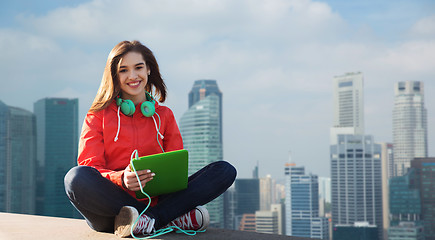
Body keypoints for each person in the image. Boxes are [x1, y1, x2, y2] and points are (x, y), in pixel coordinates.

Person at [64, 40, 237, 238]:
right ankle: (164, 217)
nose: (132, 76)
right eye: (123, 70)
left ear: (148, 70)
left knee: (224, 171)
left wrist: (164, 185)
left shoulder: (165, 115)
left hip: (158, 200)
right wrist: (122, 179)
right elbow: (90, 166)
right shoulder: (97, 116)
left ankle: (151, 219)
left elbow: (175, 168)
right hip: (112, 210)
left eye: (138, 67)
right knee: (75, 178)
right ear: (114, 75)